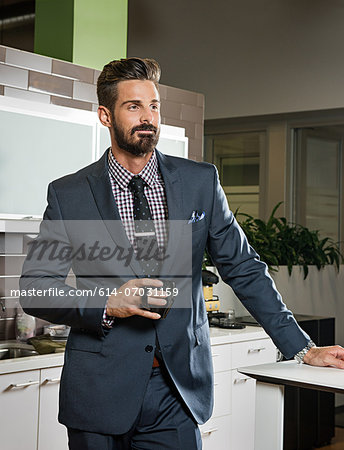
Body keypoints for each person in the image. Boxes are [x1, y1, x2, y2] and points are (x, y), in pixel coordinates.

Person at [20, 57, 344, 450]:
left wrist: (302, 347)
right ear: (106, 115)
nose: (148, 117)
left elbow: (244, 268)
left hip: (176, 392)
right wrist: (107, 302)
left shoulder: (199, 181)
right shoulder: (69, 194)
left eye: (153, 105)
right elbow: (36, 288)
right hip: (99, 392)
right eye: (133, 106)